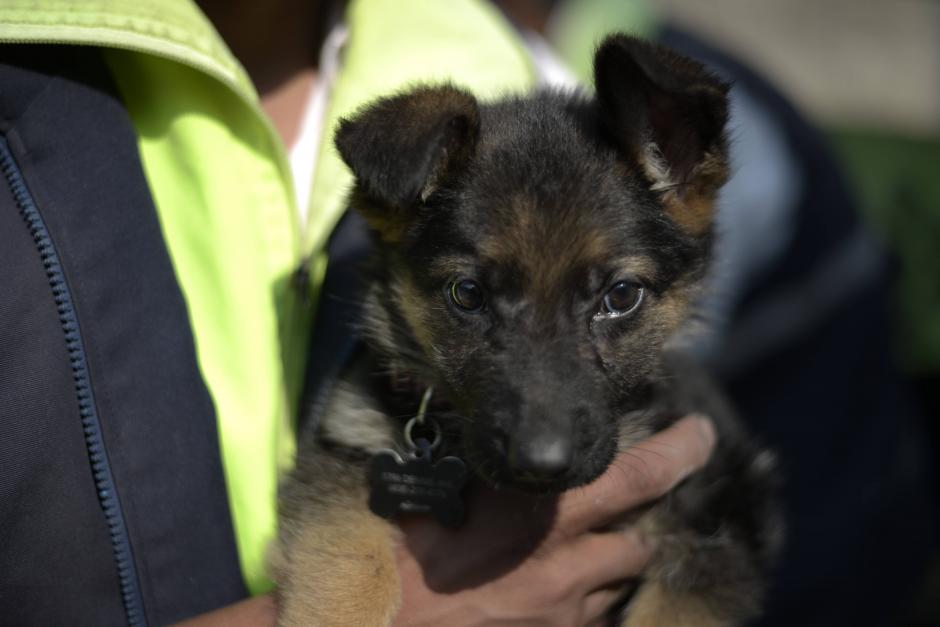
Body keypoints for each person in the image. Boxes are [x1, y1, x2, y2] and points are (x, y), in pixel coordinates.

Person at [0, 0, 718, 625]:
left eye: (617, 298)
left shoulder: (509, 58)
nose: (545, 443)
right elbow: (337, 486)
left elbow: (723, 540)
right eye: (470, 297)